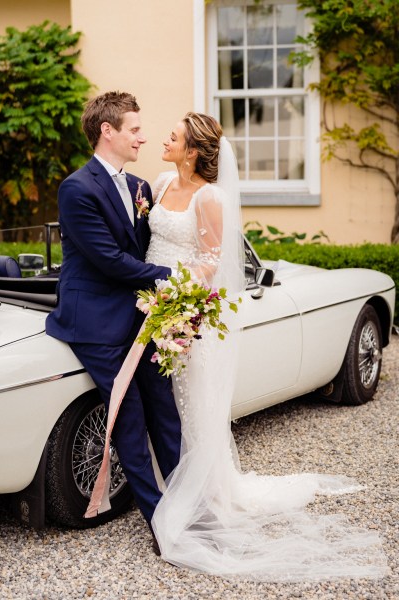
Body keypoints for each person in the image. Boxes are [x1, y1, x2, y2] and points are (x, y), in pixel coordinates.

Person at [145, 112, 388, 580]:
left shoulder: (209, 197)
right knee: (159, 400)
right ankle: (157, 477)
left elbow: (212, 262)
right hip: (148, 303)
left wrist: (173, 296)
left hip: (180, 310)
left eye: (173, 135)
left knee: (190, 402)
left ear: (193, 150)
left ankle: (202, 489)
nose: (165, 138)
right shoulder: (157, 184)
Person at [45, 91, 181, 545]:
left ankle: (187, 502)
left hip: (139, 315)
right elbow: (108, 260)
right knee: (129, 416)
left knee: (165, 408)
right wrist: (174, 276)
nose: (143, 137)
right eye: (135, 129)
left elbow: (144, 247)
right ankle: (163, 525)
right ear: (109, 131)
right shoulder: (77, 188)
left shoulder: (141, 187)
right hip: (95, 321)